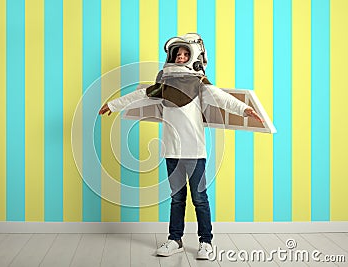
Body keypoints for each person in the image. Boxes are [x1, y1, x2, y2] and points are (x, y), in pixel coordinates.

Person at [99, 33, 262, 260]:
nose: (181, 57)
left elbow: (222, 98)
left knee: (199, 198)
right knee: (177, 198)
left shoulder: (199, 84)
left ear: (194, 58)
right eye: (177, 54)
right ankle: (175, 239)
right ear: (171, 58)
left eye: (185, 54)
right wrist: (113, 105)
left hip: (195, 152)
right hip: (172, 152)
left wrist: (245, 110)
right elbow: (139, 96)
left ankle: (206, 242)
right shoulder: (163, 86)